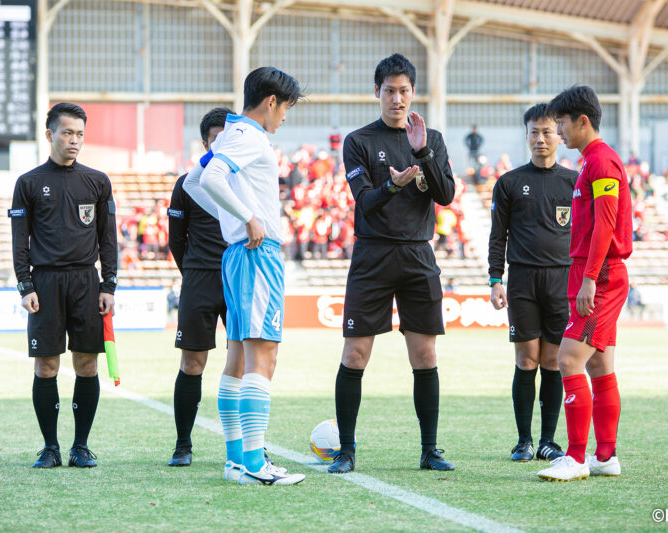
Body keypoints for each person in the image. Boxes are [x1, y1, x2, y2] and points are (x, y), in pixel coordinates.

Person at [328, 53, 456, 474]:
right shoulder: (359, 141)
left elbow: (445, 196)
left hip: (419, 253)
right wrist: (393, 184)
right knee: (356, 353)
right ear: (377, 93)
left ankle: (430, 450)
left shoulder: (430, 139)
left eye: (404, 91)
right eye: (389, 91)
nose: (396, 99)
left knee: (424, 354)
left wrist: (423, 154)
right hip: (373, 255)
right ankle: (346, 451)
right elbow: (364, 200)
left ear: (413, 93)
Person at [183, 67, 305, 486]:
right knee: (262, 357)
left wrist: (232, 219)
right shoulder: (250, 136)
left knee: (237, 360)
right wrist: (247, 217)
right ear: (271, 101)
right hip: (257, 254)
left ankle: (238, 460)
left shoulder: (233, 134)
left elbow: (194, 180)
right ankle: (254, 464)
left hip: (239, 254)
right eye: (286, 107)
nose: (285, 117)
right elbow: (209, 179)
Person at [10, 102, 118, 468]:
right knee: (46, 367)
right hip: (46, 282)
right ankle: (50, 447)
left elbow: (108, 238)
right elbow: (19, 241)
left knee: (87, 365)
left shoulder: (98, 181)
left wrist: (109, 285)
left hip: (87, 282)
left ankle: (81, 447)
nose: (75, 140)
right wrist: (26, 286)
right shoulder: (28, 183)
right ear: (50, 134)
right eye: (68, 132)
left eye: (80, 134)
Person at [537, 86, 632, 482]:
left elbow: (606, 226)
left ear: (582, 122)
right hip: (591, 271)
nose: (557, 131)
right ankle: (605, 456)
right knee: (598, 362)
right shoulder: (590, 163)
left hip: (601, 273)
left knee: (568, 359)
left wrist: (590, 278)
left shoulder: (603, 163)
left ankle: (576, 458)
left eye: (560, 123)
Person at [487, 103, 577, 463]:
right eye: (533, 132)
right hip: (522, 280)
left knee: (553, 360)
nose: (540, 138)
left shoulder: (573, 182)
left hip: (561, 280)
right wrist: (496, 279)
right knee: (526, 360)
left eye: (547, 131)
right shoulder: (509, 182)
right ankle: (523, 440)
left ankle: (548, 441)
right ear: (526, 135)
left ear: (559, 135)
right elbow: (498, 236)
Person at [166, 107, 233, 467]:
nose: (221, 144)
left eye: (228, 137)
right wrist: (193, 274)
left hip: (238, 277)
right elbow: (176, 241)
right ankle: (183, 444)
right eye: (215, 138)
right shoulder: (187, 184)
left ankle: (248, 444)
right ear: (205, 142)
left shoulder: (244, 180)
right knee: (193, 362)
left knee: (245, 361)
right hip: (199, 279)